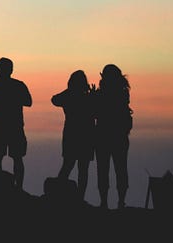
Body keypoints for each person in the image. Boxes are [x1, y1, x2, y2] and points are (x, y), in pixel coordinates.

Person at [0, 57, 32, 191]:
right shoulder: (19, 85)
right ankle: (19, 188)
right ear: (11, 70)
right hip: (15, 127)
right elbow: (28, 102)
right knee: (17, 159)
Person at [51, 70, 95, 198]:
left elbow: (55, 99)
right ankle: (80, 197)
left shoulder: (69, 96)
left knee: (68, 165)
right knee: (83, 169)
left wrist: (69, 91)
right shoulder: (88, 97)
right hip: (86, 135)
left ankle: (59, 194)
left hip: (71, 134)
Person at [94, 64, 132, 209]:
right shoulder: (123, 93)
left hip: (103, 136)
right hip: (120, 136)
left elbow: (96, 112)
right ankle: (121, 202)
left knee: (103, 170)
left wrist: (94, 96)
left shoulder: (102, 94)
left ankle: (104, 202)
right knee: (121, 169)